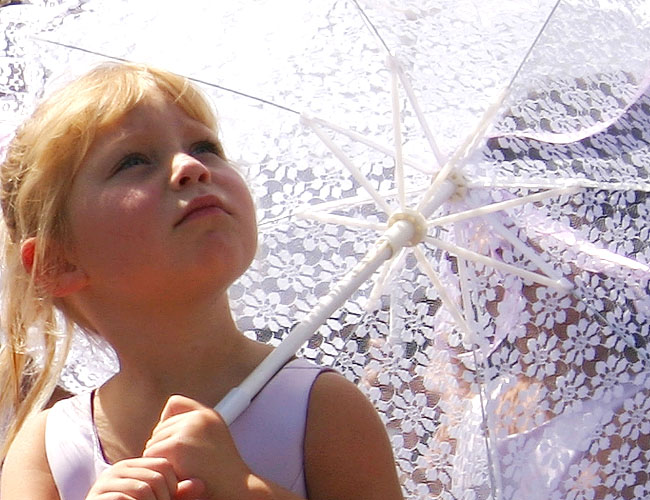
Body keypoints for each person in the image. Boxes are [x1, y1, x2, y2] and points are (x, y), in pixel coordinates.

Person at [0, 62, 403, 500]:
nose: (190, 166)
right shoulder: (45, 448)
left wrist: (244, 489)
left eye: (206, 146)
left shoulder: (318, 407)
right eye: (133, 160)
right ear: (57, 263)